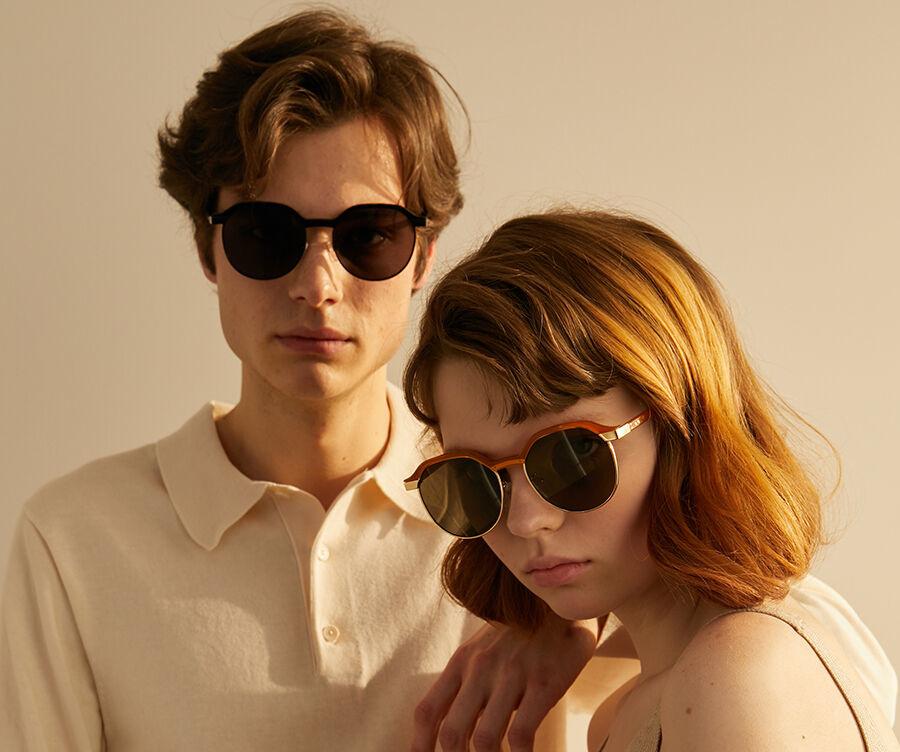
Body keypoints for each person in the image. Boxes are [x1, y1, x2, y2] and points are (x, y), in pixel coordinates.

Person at [0, 9, 893, 752]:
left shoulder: (545, 557)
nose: (318, 285)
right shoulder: (74, 540)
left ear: (424, 253)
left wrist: (576, 623)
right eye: (267, 235)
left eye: (369, 235)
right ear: (209, 247)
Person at [403, 208, 900, 751]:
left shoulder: (735, 677)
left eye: (571, 456)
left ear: (682, 425)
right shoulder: (634, 705)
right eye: (473, 477)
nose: (525, 520)